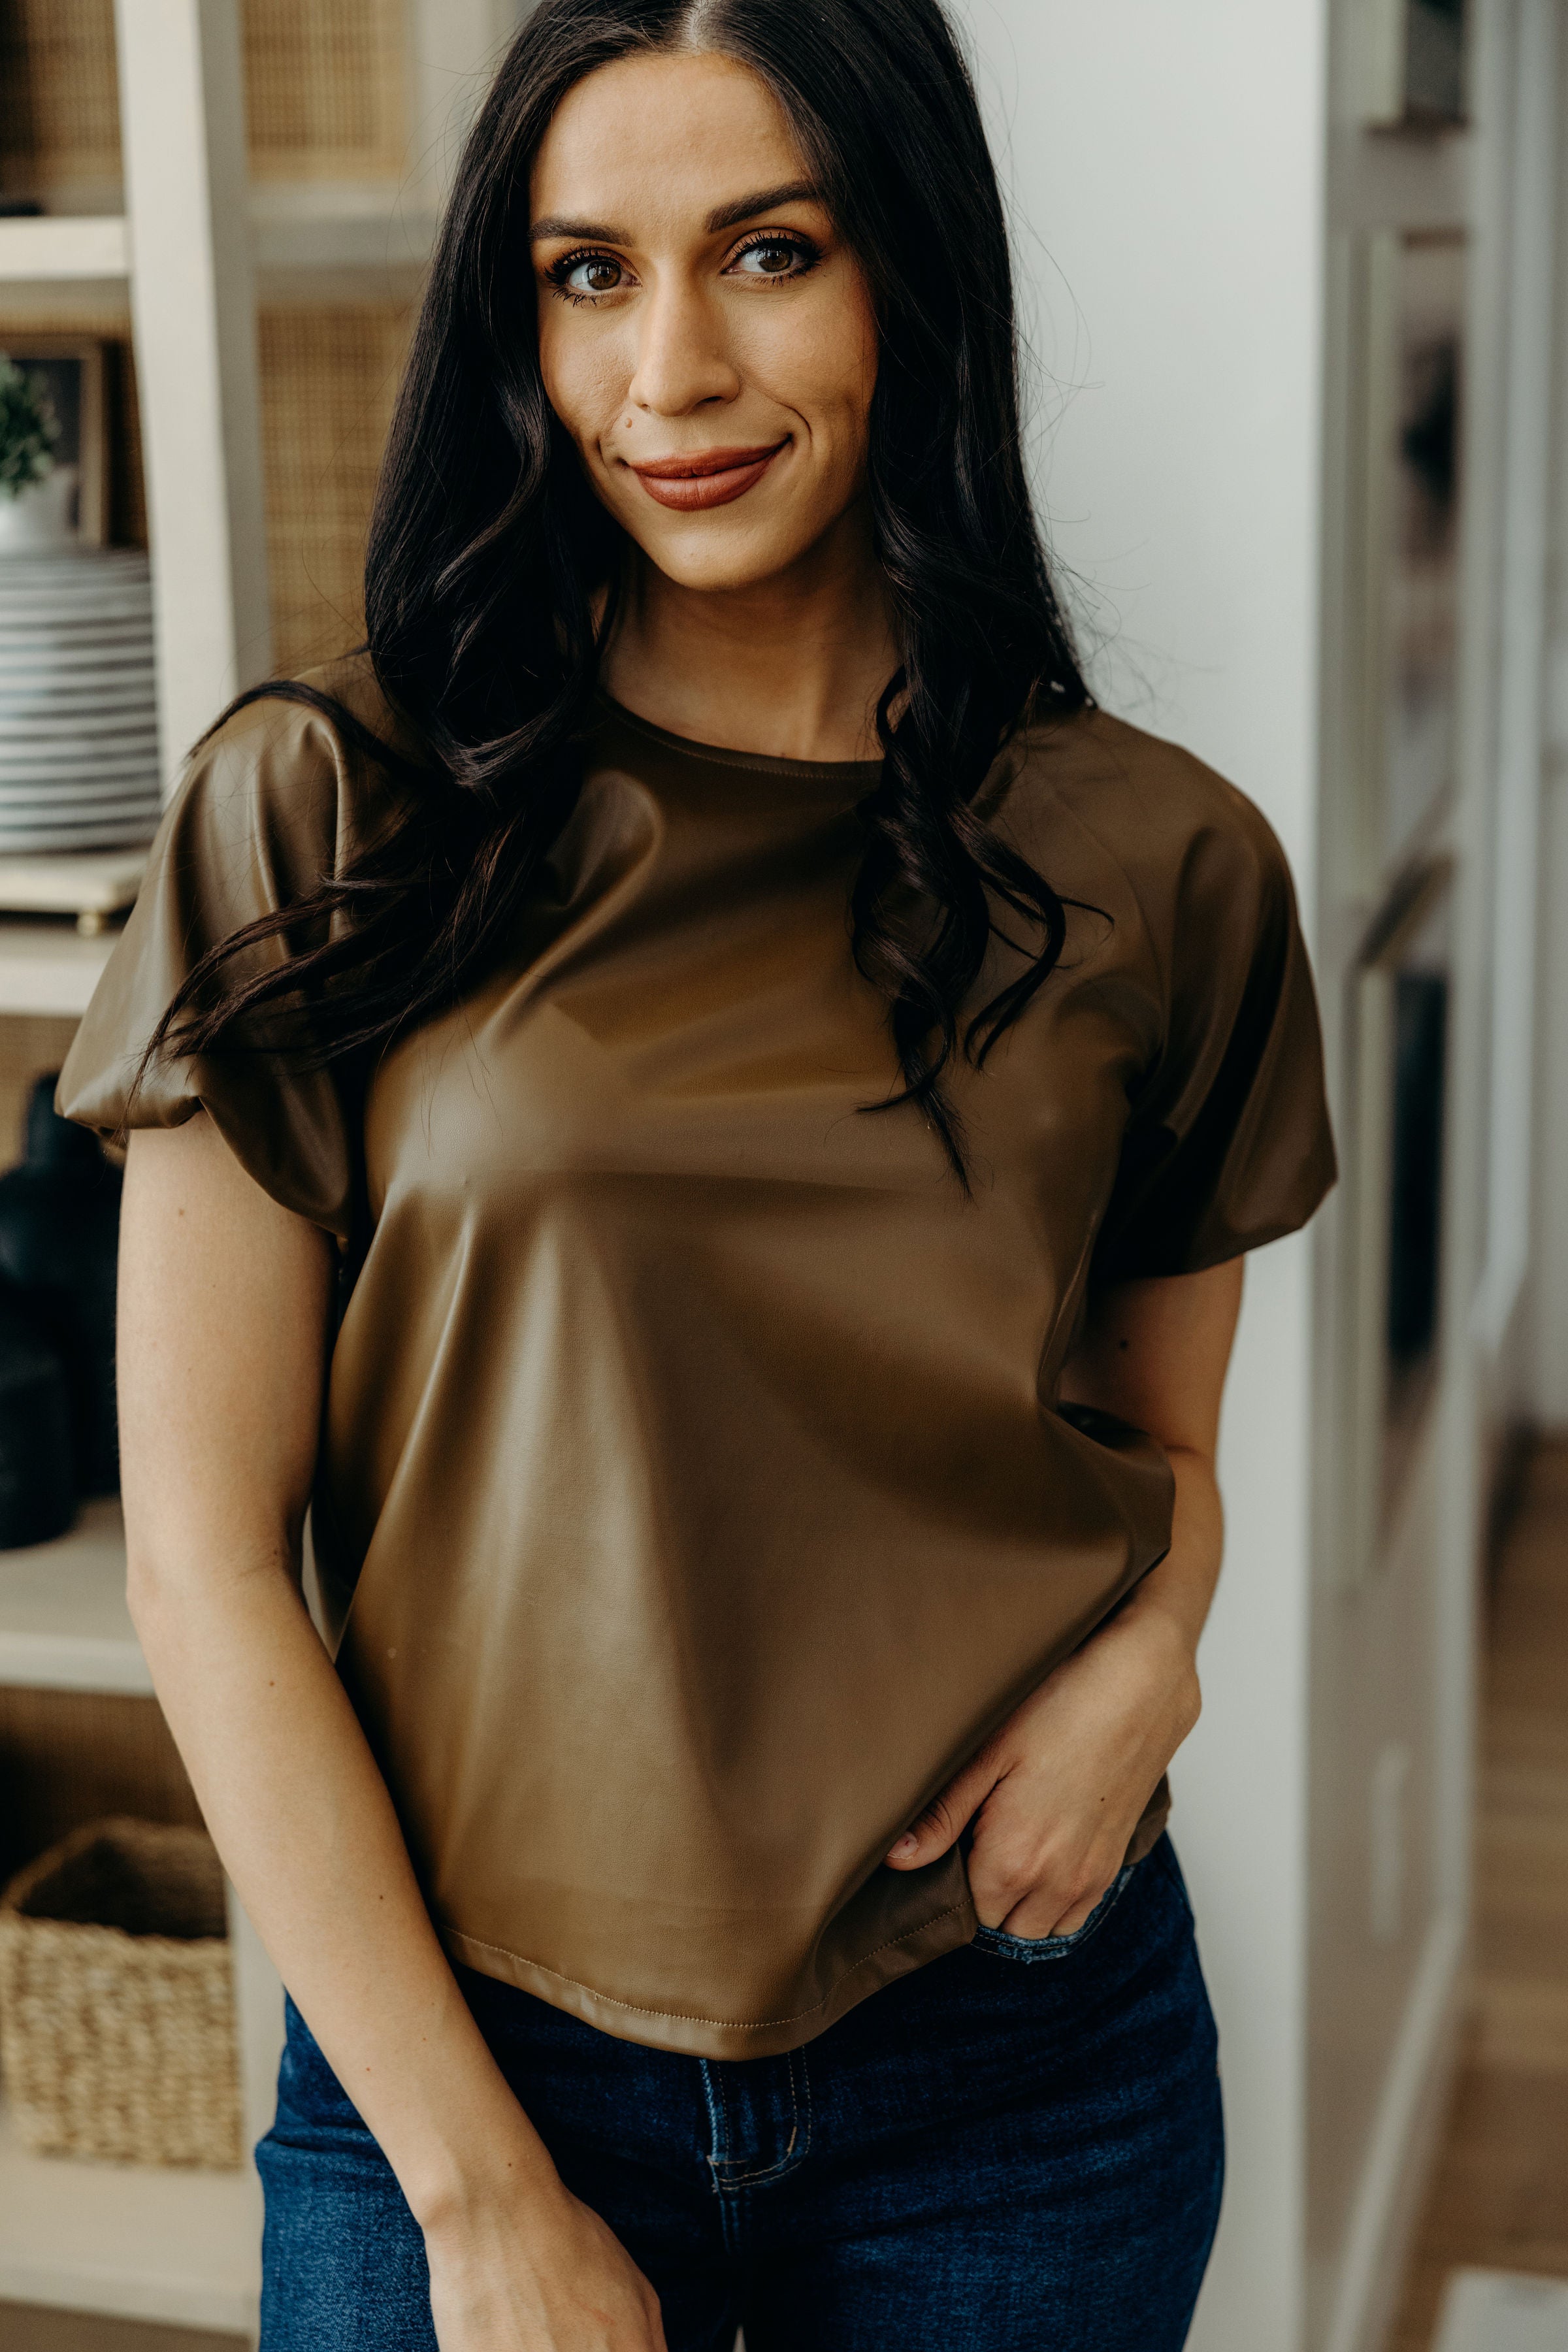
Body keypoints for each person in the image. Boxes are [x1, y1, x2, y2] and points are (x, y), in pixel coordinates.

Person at [61, 1, 1335, 2345]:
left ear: (909, 275)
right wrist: (482, 2205)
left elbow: (1160, 1459)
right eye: (584, 272)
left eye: (767, 252)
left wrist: (1155, 1652)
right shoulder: (326, 814)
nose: (671, 369)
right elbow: (205, 1567)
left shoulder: (1165, 863)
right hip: (460, 2059)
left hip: (1019, 2068)